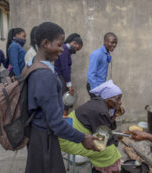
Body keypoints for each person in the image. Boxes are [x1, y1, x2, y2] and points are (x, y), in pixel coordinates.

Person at [25, 22, 100, 173]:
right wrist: (83, 138)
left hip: (36, 133)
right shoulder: (46, 76)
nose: (61, 50)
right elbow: (56, 124)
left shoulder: (32, 65)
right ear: (45, 43)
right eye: (59, 45)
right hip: (44, 138)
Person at [59, 80, 125, 173]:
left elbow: (104, 128)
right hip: (69, 139)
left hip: (67, 131)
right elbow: (103, 141)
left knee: (109, 147)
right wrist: (116, 137)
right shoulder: (101, 111)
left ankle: (101, 168)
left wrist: (114, 115)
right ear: (109, 101)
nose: (120, 102)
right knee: (109, 152)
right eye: (118, 99)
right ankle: (107, 170)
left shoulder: (97, 103)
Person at [54, 33, 83, 116]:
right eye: (77, 48)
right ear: (73, 43)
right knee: (64, 103)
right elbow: (65, 68)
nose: (76, 51)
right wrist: (69, 84)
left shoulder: (65, 50)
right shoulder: (64, 50)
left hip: (62, 78)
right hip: (61, 78)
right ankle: (63, 120)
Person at [87, 32, 118, 97]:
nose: (114, 45)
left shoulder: (107, 53)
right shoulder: (97, 54)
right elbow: (90, 75)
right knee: (97, 106)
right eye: (112, 42)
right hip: (95, 86)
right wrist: (96, 91)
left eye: (115, 43)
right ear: (105, 42)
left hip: (101, 86)